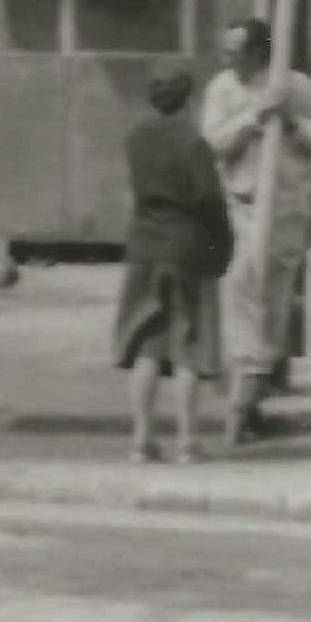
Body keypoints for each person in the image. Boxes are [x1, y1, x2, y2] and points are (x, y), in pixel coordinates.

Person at [199, 16, 311, 440]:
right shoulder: (223, 90)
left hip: (283, 212)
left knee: (273, 309)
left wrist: (295, 124)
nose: (228, 60)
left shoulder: (296, 87)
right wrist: (252, 118)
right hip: (240, 210)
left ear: (259, 53)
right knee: (241, 303)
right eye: (225, 52)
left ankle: (252, 399)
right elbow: (212, 145)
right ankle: (239, 406)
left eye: (236, 52)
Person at [115, 64, 233, 465]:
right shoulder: (193, 143)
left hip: (145, 248)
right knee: (189, 347)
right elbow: (208, 200)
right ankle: (187, 441)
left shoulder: (135, 140)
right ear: (190, 99)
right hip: (188, 250)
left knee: (148, 346)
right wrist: (224, 243)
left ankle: (141, 439)